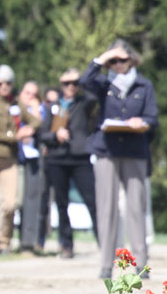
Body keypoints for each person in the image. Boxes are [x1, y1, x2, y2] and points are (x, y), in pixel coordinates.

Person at [79, 40, 157, 279]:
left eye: (122, 59)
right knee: (106, 209)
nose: (118, 64)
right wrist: (104, 57)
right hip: (106, 151)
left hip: (135, 150)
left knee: (136, 208)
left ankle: (141, 264)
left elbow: (152, 118)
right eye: (114, 60)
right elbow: (84, 81)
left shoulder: (144, 85)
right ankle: (105, 265)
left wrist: (141, 122)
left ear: (131, 59)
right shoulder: (103, 83)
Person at [0, 65, 41, 254]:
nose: (4, 86)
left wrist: (31, 129)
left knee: (11, 204)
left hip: (9, 159)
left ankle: (5, 242)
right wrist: (15, 136)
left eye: (8, 83)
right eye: (0, 83)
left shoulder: (16, 105)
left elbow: (35, 121)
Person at [39, 68, 98, 258]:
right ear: (61, 85)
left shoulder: (84, 103)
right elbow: (42, 133)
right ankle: (66, 245)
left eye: (74, 83)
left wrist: (81, 80)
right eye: (67, 83)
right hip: (57, 158)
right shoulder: (53, 106)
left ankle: (104, 244)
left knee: (92, 202)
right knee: (61, 204)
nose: (71, 87)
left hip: (80, 157)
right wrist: (55, 136)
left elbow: (94, 93)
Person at [17, 80, 49, 253]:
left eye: (34, 94)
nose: (30, 97)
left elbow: (42, 127)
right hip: (18, 159)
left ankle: (32, 242)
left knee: (35, 201)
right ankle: (20, 240)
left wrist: (36, 110)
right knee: (19, 201)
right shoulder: (15, 110)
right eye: (27, 93)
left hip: (36, 160)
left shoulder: (42, 111)